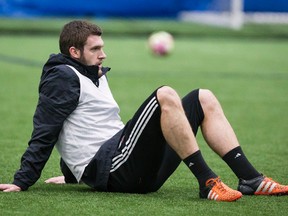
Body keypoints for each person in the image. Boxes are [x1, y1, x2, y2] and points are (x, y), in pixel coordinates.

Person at [0, 20, 287, 202]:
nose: (103, 54)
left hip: (128, 168)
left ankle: (251, 179)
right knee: (165, 94)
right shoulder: (62, 77)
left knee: (204, 97)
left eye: (103, 47)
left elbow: (81, 126)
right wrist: (22, 181)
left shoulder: (94, 73)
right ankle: (208, 182)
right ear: (74, 52)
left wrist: (73, 174)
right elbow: (47, 128)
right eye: (96, 49)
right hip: (115, 170)